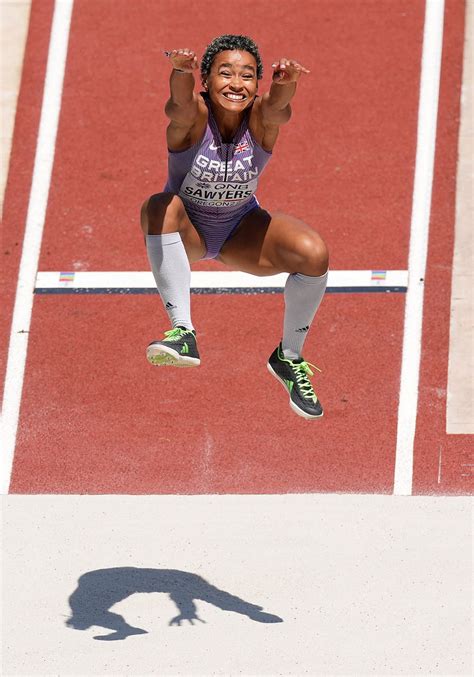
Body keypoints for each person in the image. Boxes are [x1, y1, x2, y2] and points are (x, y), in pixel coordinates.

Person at [141, 35, 329, 419]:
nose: (236, 83)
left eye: (247, 76)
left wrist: (285, 82)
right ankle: (183, 332)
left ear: (256, 84)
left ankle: (288, 357)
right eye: (225, 74)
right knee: (159, 207)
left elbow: (279, 110)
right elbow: (177, 105)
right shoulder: (193, 117)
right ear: (206, 81)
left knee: (313, 254)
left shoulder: (260, 120)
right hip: (187, 228)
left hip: (240, 231)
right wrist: (179, 71)